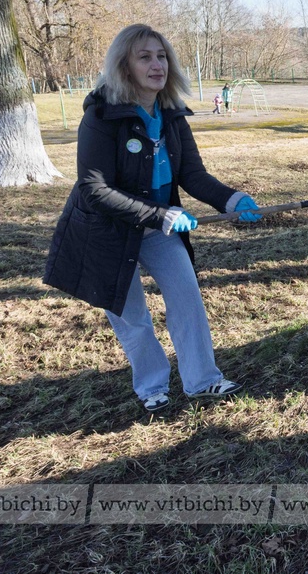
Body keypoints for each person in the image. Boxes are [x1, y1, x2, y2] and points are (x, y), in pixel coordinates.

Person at [43, 24, 263, 413]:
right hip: (106, 233)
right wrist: (160, 213)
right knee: (132, 317)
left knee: (187, 299)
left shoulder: (172, 114)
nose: (156, 64)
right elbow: (94, 188)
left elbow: (192, 174)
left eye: (161, 55)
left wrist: (232, 199)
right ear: (125, 66)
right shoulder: (101, 116)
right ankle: (151, 387)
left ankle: (203, 381)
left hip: (159, 228)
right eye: (144, 57)